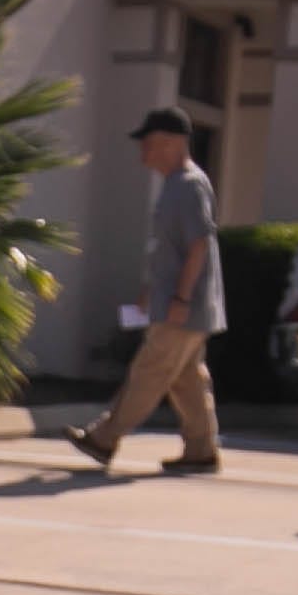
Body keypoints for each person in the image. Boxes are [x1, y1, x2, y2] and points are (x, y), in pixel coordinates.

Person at [67, 107, 225, 474]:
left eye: (149, 145)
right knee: (186, 380)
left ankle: (103, 438)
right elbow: (171, 249)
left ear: (171, 143)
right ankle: (201, 450)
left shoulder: (188, 186)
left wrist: (181, 299)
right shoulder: (177, 185)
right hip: (178, 304)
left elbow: (199, 244)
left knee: (149, 372)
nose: (144, 154)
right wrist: (150, 291)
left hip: (182, 308)